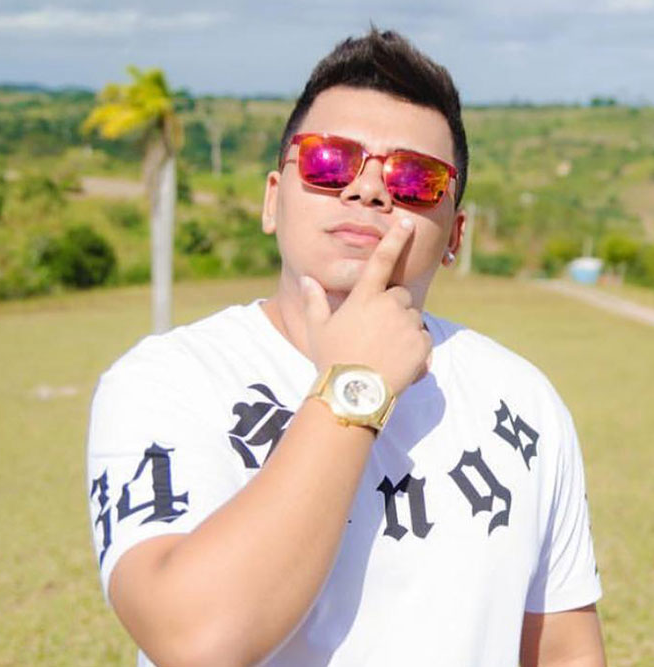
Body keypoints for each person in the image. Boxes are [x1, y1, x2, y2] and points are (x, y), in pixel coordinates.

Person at [87, 28, 605, 667]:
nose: (368, 190)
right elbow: (193, 639)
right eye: (329, 162)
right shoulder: (165, 381)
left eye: (414, 178)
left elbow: (565, 651)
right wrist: (358, 382)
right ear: (273, 200)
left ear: (455, 235)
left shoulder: (523, 400)